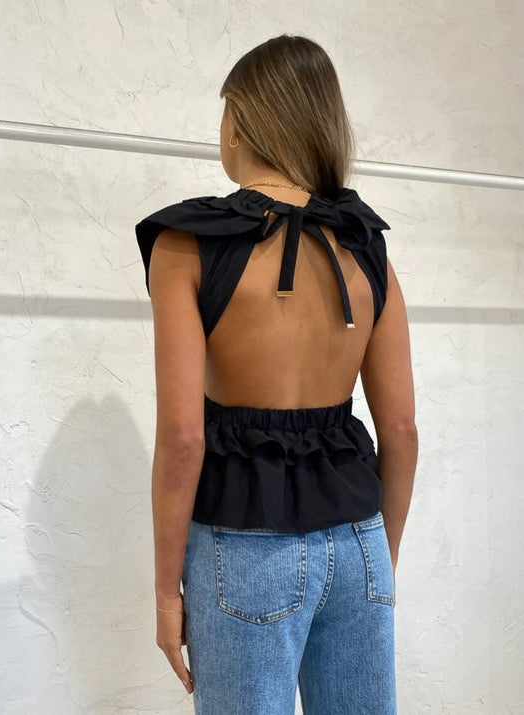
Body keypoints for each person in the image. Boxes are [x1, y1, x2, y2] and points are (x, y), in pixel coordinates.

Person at [135, 34, 417, 715]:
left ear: (241, 123)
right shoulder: (365, 248)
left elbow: (183, 438)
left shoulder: (188, 245)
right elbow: (403, 431)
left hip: (243, 551)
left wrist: (166, 592)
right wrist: (378, 560)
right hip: (359, 540)